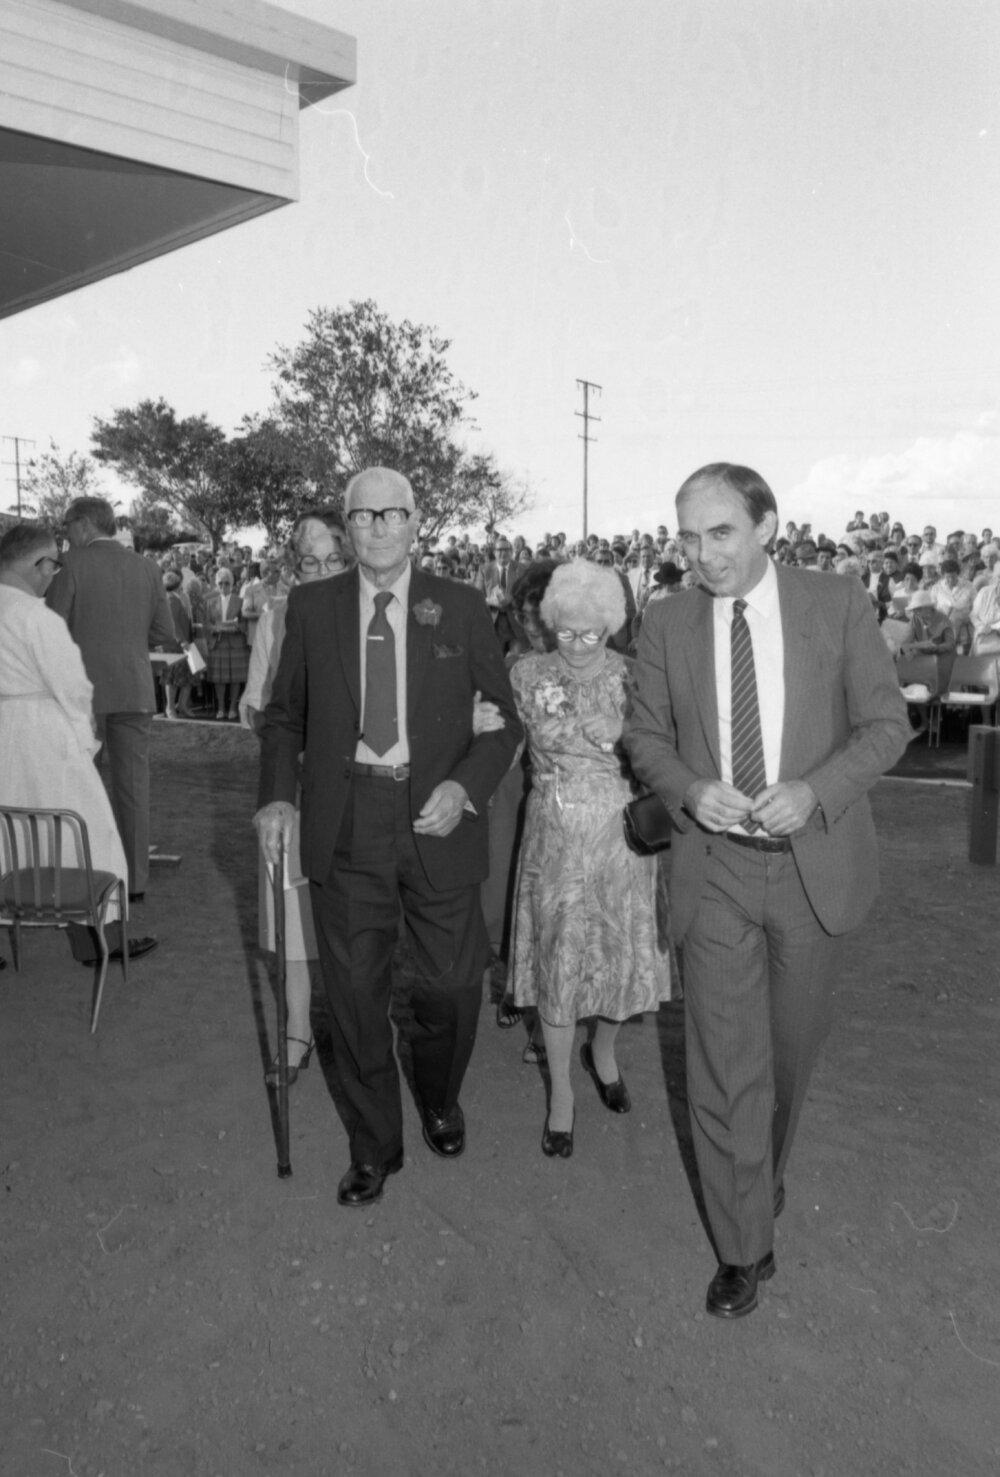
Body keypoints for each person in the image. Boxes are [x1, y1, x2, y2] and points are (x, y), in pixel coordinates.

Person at [624, 463, 909, 1320]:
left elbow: (888, 725)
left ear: (767, 526)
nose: (701, 554)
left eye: (720, 533)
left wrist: (815, 790)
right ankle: (743, 1245)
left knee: (786, 1060)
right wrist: (686, 788)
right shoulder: (666, 620)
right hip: (713, 871)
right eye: (686, 536)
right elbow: (643, 734)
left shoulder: (836, 602)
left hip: (811, 868)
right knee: (721, 1064)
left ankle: (763, 1173)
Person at [254, 467, 522, 1209]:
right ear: (348, 527)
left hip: (437, 818)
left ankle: (438, 1096)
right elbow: (283, 716)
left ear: (415, 522)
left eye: (390, 513)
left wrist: (463, 786)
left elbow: (506, 723)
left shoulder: (462, 607)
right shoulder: (310, 606)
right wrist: (277, 796)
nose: (376, 527)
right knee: (354, 996)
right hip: (347, 823)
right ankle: (375, 1144)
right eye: (361, 516)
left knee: (451, 986)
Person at [508, 560, 671, 1159]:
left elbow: (668, 752)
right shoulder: (526, 673)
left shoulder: (635, 679)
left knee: (616, 956)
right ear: (550, 624)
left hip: (620, 841)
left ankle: (601, 1053)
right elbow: (503, 736)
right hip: (553, 837)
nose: (577, 646)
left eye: (591, 634)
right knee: (558, 961)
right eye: (566, 632)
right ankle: (561, 1097)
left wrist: (626, 730)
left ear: (611, 626)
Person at [0, 524, 157, 965]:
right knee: (86, 829)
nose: (54, 574)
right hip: (42, 734)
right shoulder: (36, 617)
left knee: (5, 830)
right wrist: (84, 746)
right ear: (36, 565)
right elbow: (72, 688)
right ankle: (99, 940)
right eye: (53, 564)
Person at [242, 512, 350, 1084]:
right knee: (291, 908)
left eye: (334, 559)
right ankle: (297, 1030)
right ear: (295, 567)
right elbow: (261, 708)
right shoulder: (277, 618)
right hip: (295, 788)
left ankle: (360, 1025)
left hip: (356, 792)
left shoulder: (372, 613)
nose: (323, 571)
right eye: (310, 562)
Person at [46, 496, 176, 903]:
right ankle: (134, 882)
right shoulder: (147, 567)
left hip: (80, 696)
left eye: (66, 524)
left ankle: (81, 875)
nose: (64, 533)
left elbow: (50, 627)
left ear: (84, 525)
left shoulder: (71, 565)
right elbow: (163, 633)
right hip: (135, 691)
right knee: (134, 790)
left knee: (76, 788)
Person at [202, 567, 250, 719]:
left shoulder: (240, 601)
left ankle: (233, 708)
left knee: (235, 678)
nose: (223, 587)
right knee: (219, 679)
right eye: (221, 583)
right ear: (216, 584)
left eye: (227, 583)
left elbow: (245, 625)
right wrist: (214, 628)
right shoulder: (210, 602)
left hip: (236, 643)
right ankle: (221, 708)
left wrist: (236, 627)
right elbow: (206, 624)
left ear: (232, 584)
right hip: (218, 643)